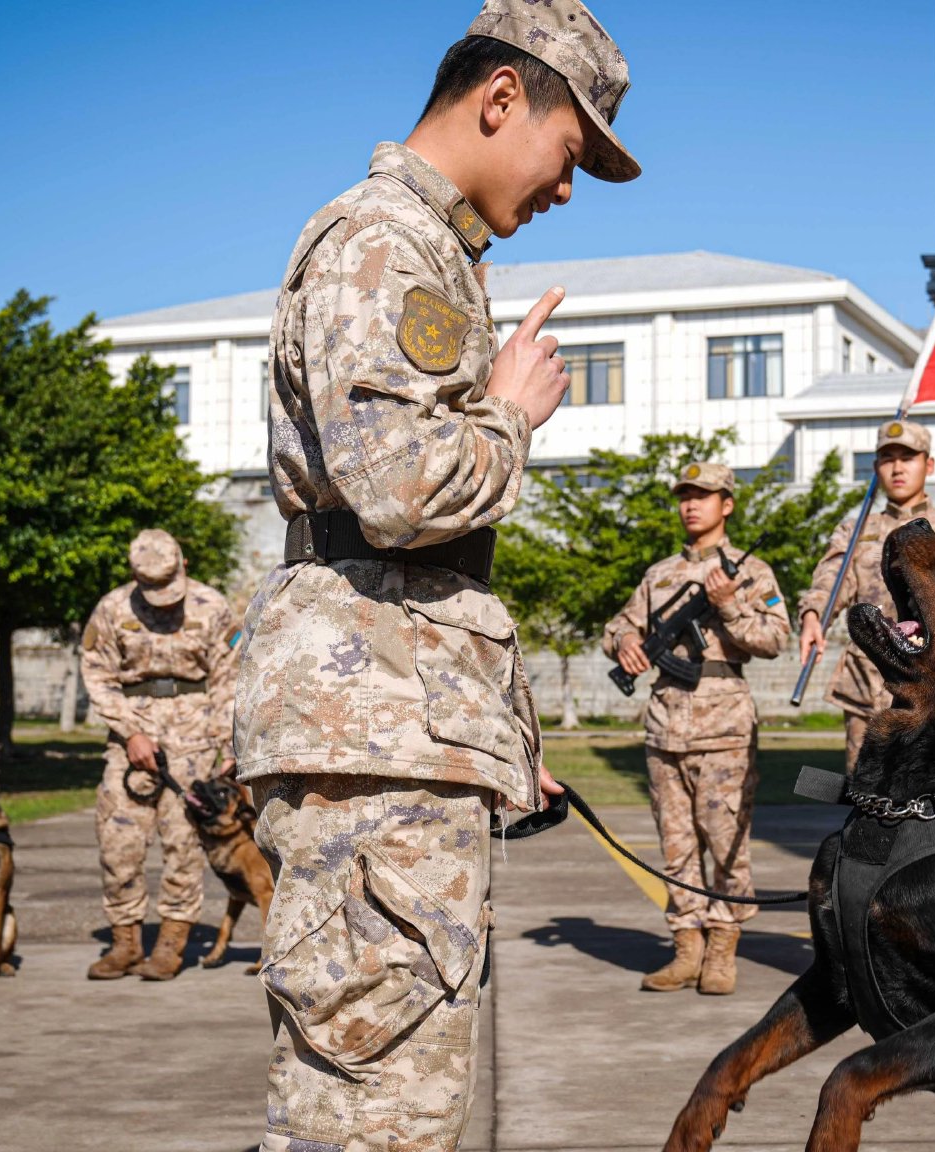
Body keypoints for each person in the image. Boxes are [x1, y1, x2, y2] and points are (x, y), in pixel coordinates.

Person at [237, 1, 636, 1145]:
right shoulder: (385, 241)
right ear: (501, 97)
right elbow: (402, 495)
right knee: (369, 1099)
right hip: (370, 723)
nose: (566, 190)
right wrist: (509, 416)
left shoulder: (426, 248)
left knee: (384, 1082)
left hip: (393, 714)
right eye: (571, 155)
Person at [601, 462, 788, 995]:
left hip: (724, 725)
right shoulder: (658, 574)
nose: (691, 504)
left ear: (726, 504)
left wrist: (729, 606)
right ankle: (686, 947)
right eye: (685, 495)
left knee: (726, 840)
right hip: (665, 724)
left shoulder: (753, 573)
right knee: (676, 844)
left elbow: (775, 639)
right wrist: (625, 645)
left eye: (703, 495)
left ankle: (723, 947)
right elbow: (619, 625)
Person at [81, 529, 240, 982]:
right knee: (119, 843)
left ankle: (171, 943)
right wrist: (129, 732)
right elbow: (97, 676)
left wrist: (228, 746)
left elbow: (229, 680)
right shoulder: (112, 610)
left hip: (194, 739)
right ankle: (125, 942)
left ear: (184, 565)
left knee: (183, 845)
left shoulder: (212, 607)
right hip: (130, 741)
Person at [797, 419, 935, 770]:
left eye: (908, 457)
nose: (897, 467)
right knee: (867, 799)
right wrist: (812, 616)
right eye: (887, 459)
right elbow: (831, 579)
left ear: (928, 465)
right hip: (870, 688)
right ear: (876, 468)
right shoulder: (856, 531)